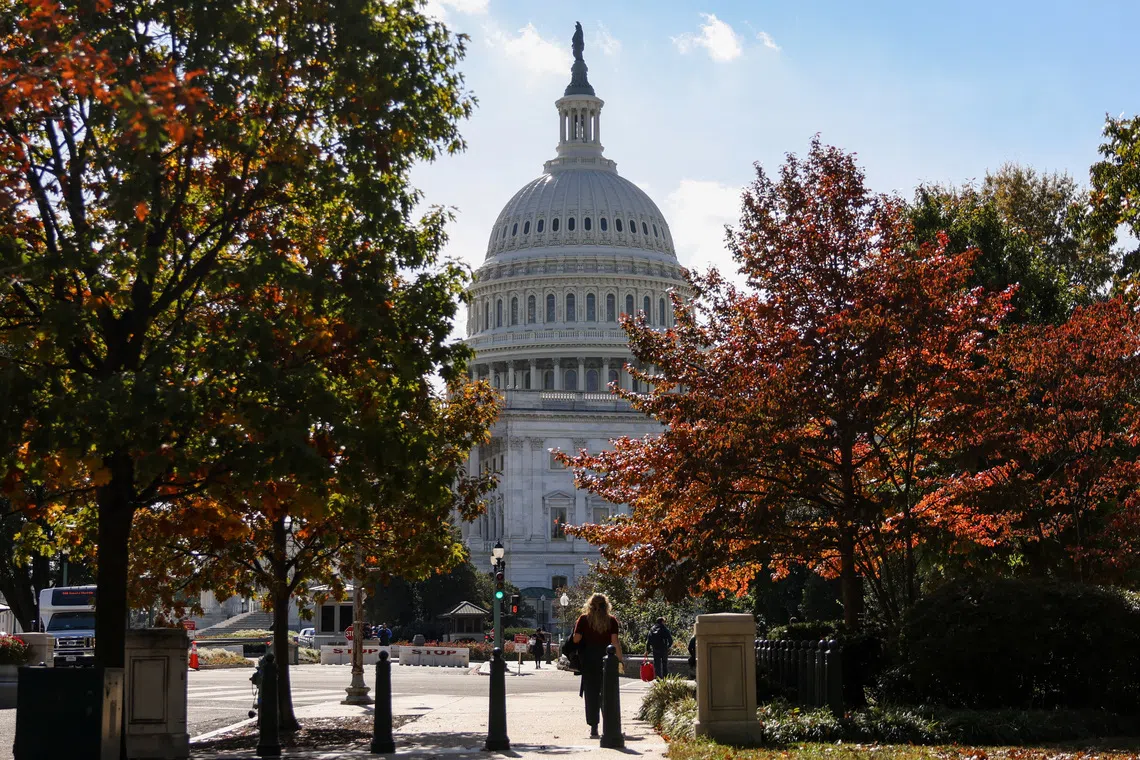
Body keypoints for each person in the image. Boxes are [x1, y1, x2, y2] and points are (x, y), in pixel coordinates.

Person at [571, 593, 622, 738]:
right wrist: (620, 660)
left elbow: (576, 639)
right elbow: (615, 642)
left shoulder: (583, 619)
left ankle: (594, 727)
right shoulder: (611, 620)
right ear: (606, 606)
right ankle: (609, 725)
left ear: (590, 605)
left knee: (591, 693)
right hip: (606, 659)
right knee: (607, 692)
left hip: (588, 660)